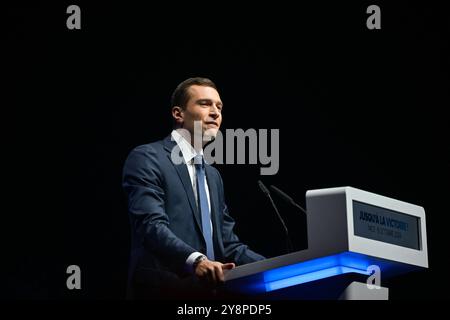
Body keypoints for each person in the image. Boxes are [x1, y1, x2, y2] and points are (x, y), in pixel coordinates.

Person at [122, 77, 265, 299]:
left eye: (219, 106)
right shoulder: (147, 157)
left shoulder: (212, 175)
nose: (216, 112)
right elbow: (150, 226)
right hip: (162, 292)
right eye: (205, 104)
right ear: (178, 114)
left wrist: (274, 267)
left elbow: (227, 244)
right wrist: (196, 260)